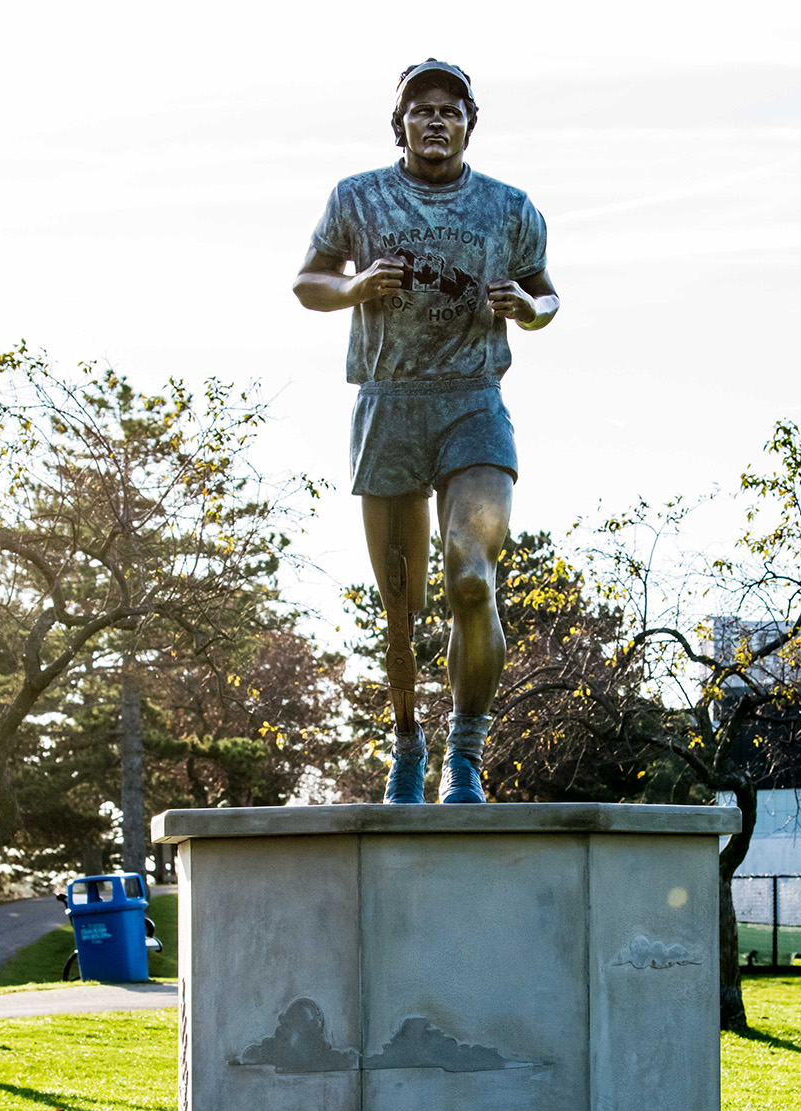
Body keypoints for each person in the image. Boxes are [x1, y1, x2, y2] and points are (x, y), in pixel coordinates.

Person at [293, 59, 559, 804]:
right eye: (422, 111)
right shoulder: (359, 197)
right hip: (389, 406)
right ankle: (407, 740)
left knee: (471, 574)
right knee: (401, 609)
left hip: (473, 402)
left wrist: (529, 310)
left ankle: (465, 752)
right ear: (401, 125)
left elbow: (547, 290)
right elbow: (307, 279)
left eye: (451, 110)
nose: (436, 120)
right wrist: (350, 286)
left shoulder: (508, 208)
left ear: (470, 124)